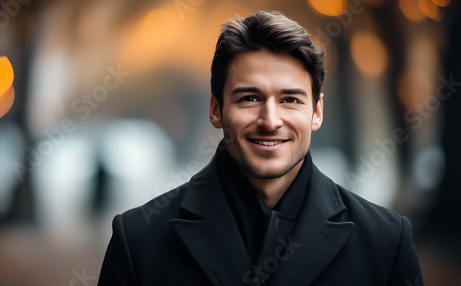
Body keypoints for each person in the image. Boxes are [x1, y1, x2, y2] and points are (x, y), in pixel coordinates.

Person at [98, 10, 423, 286]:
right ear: (216, 109)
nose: (270, 120)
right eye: (250, 98)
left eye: (290, 100)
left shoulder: (386, 241)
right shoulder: (139, 239)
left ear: (317, 112)